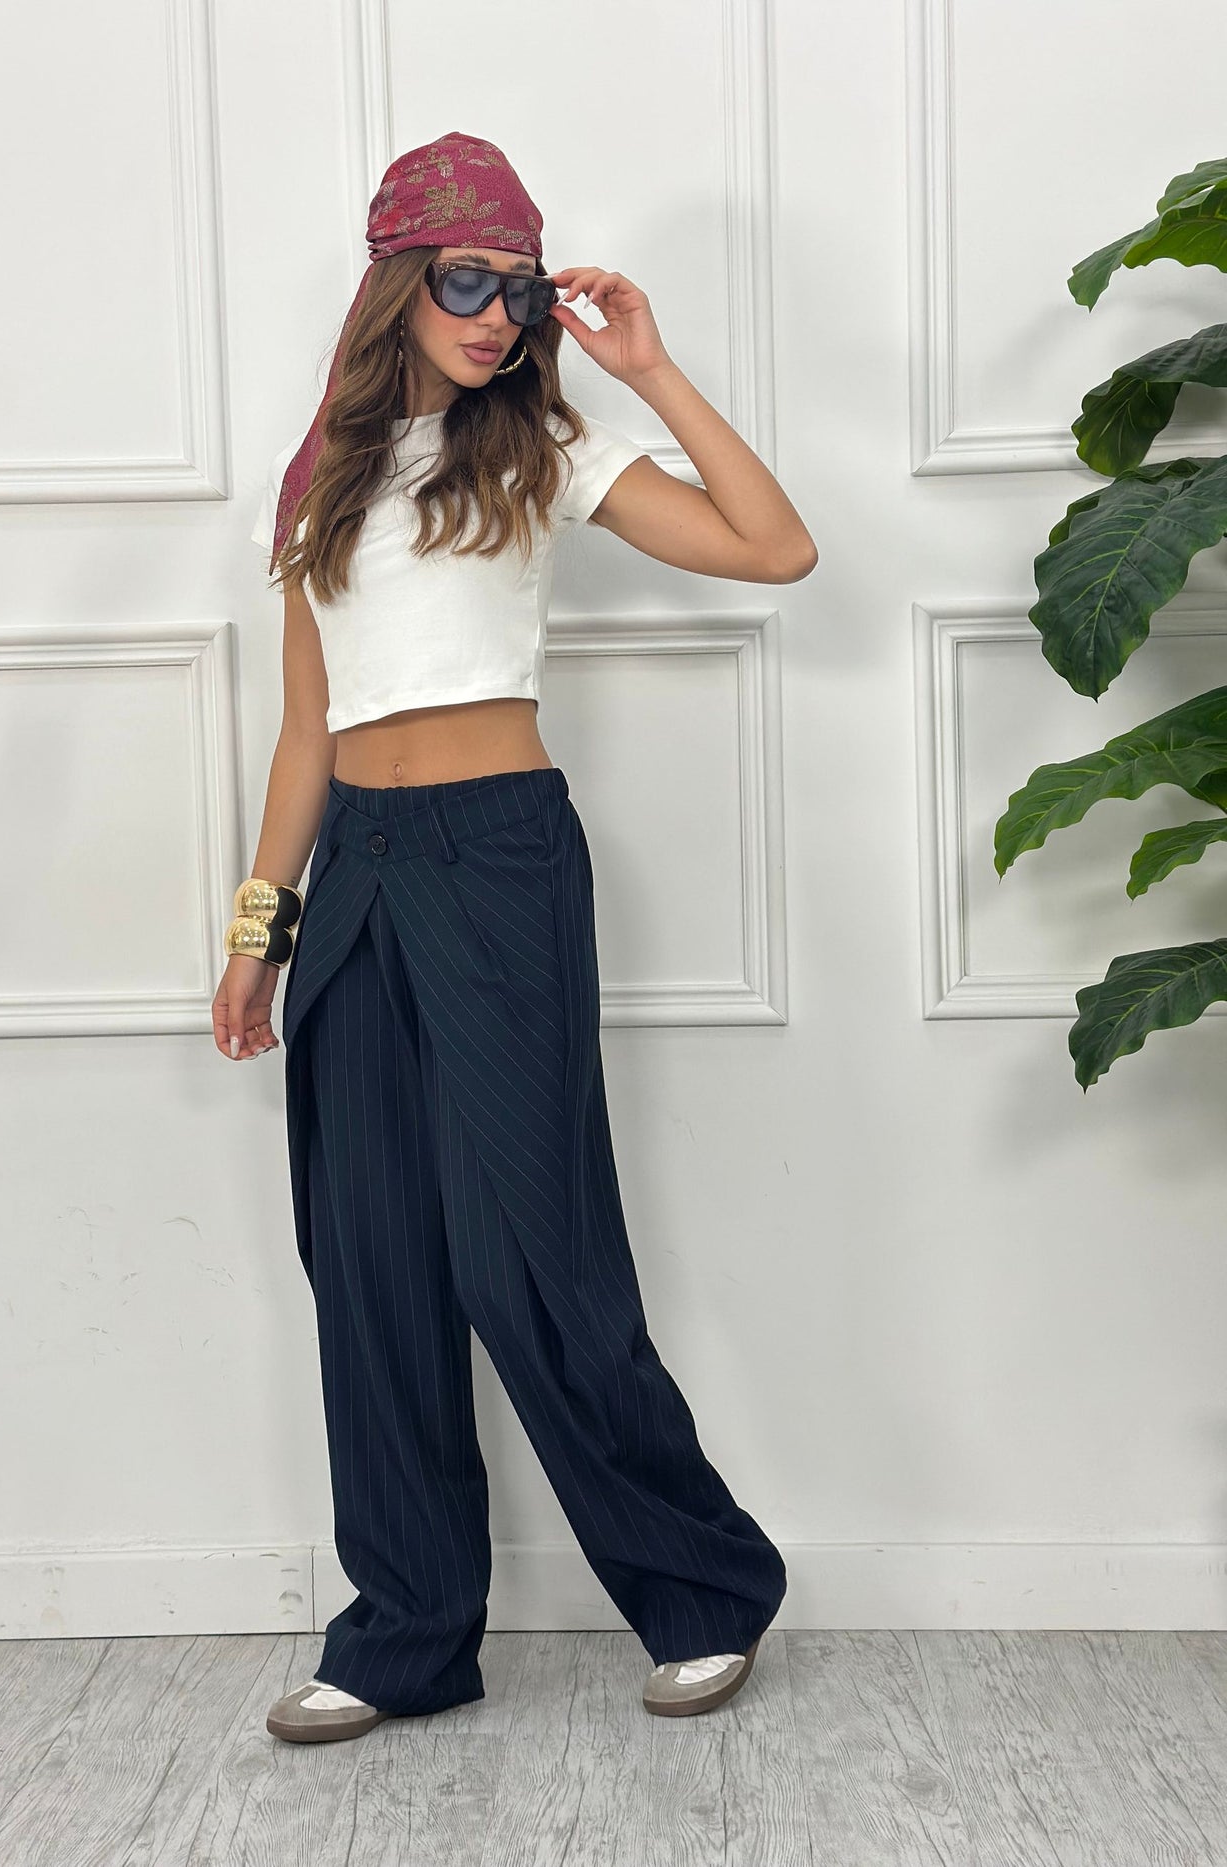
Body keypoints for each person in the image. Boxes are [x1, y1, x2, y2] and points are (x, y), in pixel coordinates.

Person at [218, 131, 817, 1745]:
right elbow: (305, 728)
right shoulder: (318, 475)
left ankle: (703, 1588)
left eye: (520, 291)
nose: (497, 317)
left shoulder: (544, 441)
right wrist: (260, 927)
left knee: (532, 1253)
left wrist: (652, 369)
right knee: (369, 1261)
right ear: (399, 285)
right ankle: (406, 1634)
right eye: (469, 284)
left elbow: (776, 549)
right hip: (356, 868)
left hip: (498, 856)